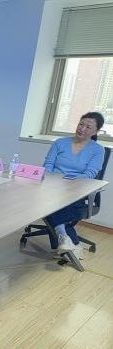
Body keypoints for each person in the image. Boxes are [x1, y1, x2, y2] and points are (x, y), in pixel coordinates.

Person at [43, 111, 105, 260]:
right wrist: (51, 181)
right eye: (81, 124)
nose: (82, 129)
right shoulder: (60, 143)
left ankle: (65, 239)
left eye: (88, 127)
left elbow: (90, 174)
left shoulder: (98, 150)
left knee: (51, 205)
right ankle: (68, 240)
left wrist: (67, 183)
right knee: (47, 202)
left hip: (76, 190)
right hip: (51, 186)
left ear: (95, 131)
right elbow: (48, 165)